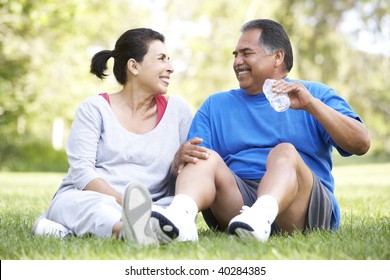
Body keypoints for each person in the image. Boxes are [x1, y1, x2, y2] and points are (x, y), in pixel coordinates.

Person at [150, 19, 370, 243]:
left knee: (284, 151)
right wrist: (181, 159)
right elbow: (196, 170)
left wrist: (311, 106)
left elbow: (361, 143)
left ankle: (262, 215)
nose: (237, 62)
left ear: (277, 57)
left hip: (300, 204)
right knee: (202, 156)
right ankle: (179, 220)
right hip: (239, 205)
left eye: (246, 53)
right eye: (235, 55)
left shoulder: (314, 94)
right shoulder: (215, 105)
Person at [32, 28, 209, 245]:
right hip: (95, 197)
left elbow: (182, 174)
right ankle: (128, 230)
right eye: (162, 59)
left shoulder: (178, 110)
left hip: (155, 203)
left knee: (174, 208)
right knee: (81, 205)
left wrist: (177, 163)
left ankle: (59, 230)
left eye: (169, 59)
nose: (170, 68)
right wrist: (126, 204)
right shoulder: (94, 108)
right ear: (134, 66)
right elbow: (82, 173)